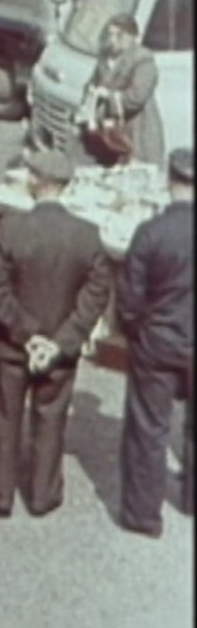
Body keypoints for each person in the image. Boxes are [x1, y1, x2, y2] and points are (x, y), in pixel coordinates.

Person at [0, 150, 110, 518]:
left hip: (11, 343)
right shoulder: (87, 234)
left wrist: (27, 334)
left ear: (36, 182)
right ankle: (42, 496)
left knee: (5, 418)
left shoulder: (10, 228)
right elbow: (96, 294)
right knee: (50, 419)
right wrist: (60, 340)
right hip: (60, 349)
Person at [118, 148, 193, 537]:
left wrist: (135, 332)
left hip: (159, 341)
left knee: (148, 429)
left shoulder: (150, 232)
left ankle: (143, 516)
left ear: (169, 181)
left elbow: (130, 300)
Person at [80, 14, 165, 169]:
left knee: (137, 170)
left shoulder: (143, 60)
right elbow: (93, 82)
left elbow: (136, 97)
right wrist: (89, 97)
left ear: (132, 37)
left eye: (119, 35)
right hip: (108, 128)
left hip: (137, 127)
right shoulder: (105, 57)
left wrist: (108, 96)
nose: (114, 40)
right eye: (110, 34)